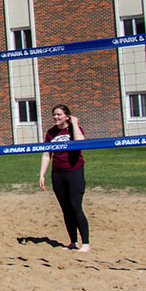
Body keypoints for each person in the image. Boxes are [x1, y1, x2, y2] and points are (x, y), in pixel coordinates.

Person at [39, 104, 90, 252]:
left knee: (75, 206)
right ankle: (73, 241)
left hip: (74, 172)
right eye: (54, 115)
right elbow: (46, 154)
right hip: (58, 173)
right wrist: (42, 174)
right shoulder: (51, 133)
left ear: (67, 116)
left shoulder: (73, 129)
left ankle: (86, 243)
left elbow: (81, 143)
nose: (56, 117)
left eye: (59, 115)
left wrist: (74, 123)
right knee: (66, 209)